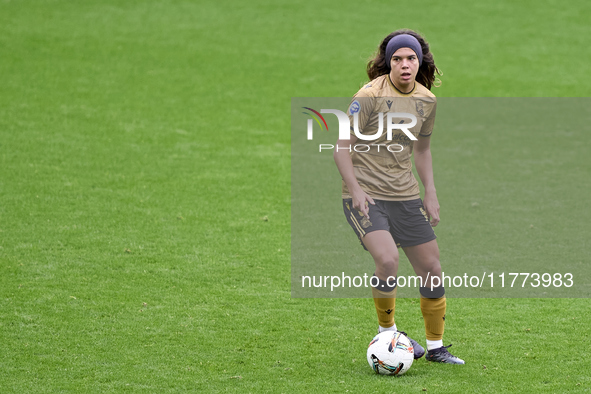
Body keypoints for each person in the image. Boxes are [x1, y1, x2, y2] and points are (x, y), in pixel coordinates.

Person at [333, 29, 464, 364]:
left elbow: (422, 150)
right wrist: (357, 191)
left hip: (404, 196)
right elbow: (341, 149)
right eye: (397, 59)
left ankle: (435, 347)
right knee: (388, 259)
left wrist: (430, 191)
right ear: (388, 63)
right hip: (365, 196)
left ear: (419, 62)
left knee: (432, 267)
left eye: (411, 58)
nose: (405, 64)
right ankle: (387, 332)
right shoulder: (367, 96)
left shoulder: (426, 100)